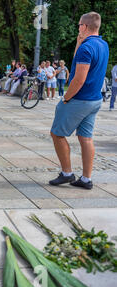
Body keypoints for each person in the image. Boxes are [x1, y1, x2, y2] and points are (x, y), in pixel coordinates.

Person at [49, 12, 109, 190]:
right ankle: (86, 179)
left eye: (79, 25)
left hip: (79, 99)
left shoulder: (86, 48)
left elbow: (78, 79)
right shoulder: (103, 45)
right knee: (85, 138)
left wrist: (66, 98)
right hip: (95, 100)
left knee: (57, 134)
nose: (78, 28)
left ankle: (67, 173)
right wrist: (78, 42)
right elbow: (77, 63)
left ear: (84, 26)